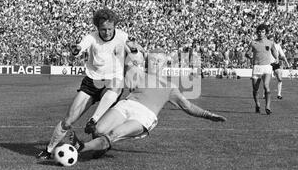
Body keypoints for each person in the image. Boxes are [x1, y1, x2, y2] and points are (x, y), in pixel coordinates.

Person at [68, 51, 227, 159]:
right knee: (99, 130)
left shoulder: (170, 86)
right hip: (126, 105)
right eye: (152, 60)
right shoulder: (137, 74)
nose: (155, 63)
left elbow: (188, 106)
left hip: (144, 115)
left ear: (164, 64)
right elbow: (123, 61)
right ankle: (99, 147)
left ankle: (81, 146)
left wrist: (208, 115)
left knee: (113, 134)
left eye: (159, 60)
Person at [37, 8, 129, 159]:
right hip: (92, 82)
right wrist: (77, 49)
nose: (107, 33)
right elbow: (81, 46)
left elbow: (135, 48)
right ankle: (49, 150)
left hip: (112, 82)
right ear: (97, 28)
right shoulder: (92, 37)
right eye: (103, 29)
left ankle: (94, 120)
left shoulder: (123, 36)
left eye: (110, 29)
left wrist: (135, 51)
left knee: (116, 85)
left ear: (115, 26)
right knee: (68, 120)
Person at [245, 24, 278, 115]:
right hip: (257, 67)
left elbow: (274, 51)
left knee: (266, 86)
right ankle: (257, 104)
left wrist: (276, 58)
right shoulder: (253, 43)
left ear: (266, 33)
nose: (260, 33)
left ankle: (268, 107)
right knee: (255, 89)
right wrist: (248, 55)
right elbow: (247, 53)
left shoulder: (270, 42)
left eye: (262, 32)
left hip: (267, 67)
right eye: (259, 31)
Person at [270, 34, 290, 99]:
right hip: (268, 64)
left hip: (275, 63)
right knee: (266, 80)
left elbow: (283, 55)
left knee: (280, 79)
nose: (277, 40)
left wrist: (287, 63)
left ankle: (279, 94)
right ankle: (265, 93)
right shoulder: (268, 45)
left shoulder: (278, 46)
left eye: (278, 39)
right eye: (277, 38)